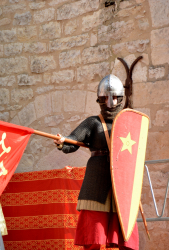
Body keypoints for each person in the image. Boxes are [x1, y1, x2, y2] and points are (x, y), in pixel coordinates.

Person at [53, 74, 139, 250]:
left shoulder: (127, 122)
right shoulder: (93, 123)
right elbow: (74, 140)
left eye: (114, 98)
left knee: (123, 236)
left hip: (121, 184)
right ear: (99, 99)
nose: (111, 102)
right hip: (96, 181)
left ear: (120, 98)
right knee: (94, 236)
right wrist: (63, 141)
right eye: (106, 98)